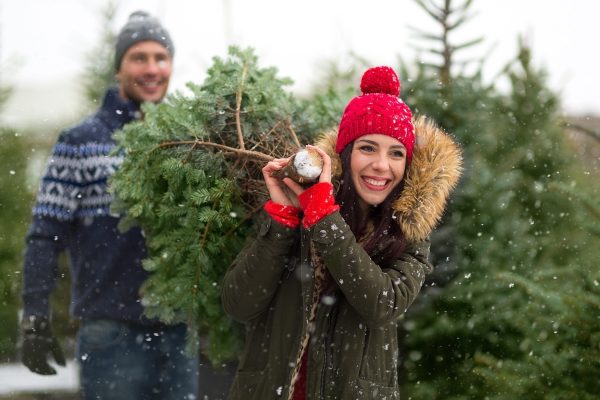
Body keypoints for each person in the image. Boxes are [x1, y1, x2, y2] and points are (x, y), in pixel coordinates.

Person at [221, 66, 462, 399]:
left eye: (396, 153)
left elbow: (382, 303)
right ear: (346, 155)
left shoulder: (410, 236)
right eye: (367, 148)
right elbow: (239, 303)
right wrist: (283, 221)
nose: (381, 165)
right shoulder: (300, 209)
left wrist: (324, 217)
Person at [20, 11, 200, 400]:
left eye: (160, 57)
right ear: (119, 68)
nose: (152, 68)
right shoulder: (81, 141)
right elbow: (45, 234)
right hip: (111, 332)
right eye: (139, 58)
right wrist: (34, 315)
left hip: (179, 332)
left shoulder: (193, 144)